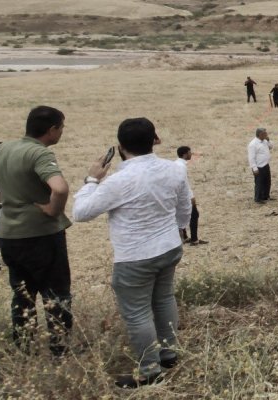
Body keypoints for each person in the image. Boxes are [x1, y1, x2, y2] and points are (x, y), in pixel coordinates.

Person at [72, 118, 193, 389]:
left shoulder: (118, 180)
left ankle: (149, 369)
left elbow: (80, 213)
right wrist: (179, 228)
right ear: (155, 140)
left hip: (135, 255)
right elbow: (185, 205)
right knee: (163, 298)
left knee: (138, 313)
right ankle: (169, 352)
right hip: (169, 246)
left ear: (119, 147)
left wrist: (92, 179)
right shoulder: (174, 169)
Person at [0, 105, 74, 356]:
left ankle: (24, 347)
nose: (61, 132)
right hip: (42, 235)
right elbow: (59, 188)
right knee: (56, 294)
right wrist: (53, 210)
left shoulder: (4, 148)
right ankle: (59, 349)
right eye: (61, 128)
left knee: (22, 294)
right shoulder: (39, 154)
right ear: (51, 130)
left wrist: (1, 201)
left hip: (10, 235)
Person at [175, 146, 206, 246]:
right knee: (194, 214)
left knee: (181, 215)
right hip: (183, 196)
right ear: (184, 154)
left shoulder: (177, 164)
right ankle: (194, 239)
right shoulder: (181, 166)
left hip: (178, 196)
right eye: (189, 153)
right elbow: (184, 184)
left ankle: (185, 236)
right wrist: (191, 197)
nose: (191, 154)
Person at [248, 128, 272, 203]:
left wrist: (268, 140)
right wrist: (254, 168)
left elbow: (271, 147)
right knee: (259, 183)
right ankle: (258, 198)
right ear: (260, 134)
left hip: (266, 164)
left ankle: (265, 196)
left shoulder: (265, 141)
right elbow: (251, 157)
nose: (266, 135)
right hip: (259, 166)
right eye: (265, 133)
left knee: (267, 182)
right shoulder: (253, 144)